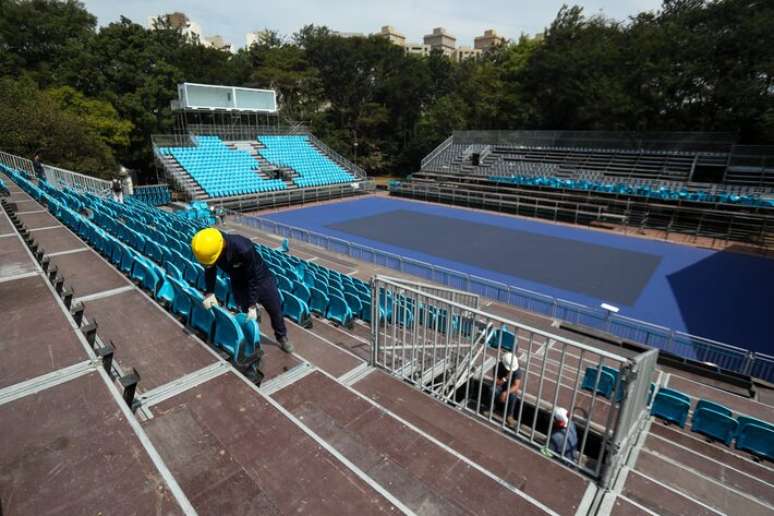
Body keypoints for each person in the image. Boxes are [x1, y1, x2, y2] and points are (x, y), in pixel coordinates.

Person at [191, 227, 293, 353]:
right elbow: (210, 268)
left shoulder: (243, 248)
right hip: (238, 281)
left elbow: (253, 279)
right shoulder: (211, 245)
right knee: (246, 316)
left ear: (221, 247)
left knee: (275, 309)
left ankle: (281, 336)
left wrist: (252, 304)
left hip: (260, 279)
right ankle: (251, 340)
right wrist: (210, 292)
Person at [472, 352, 523, 427]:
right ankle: (490, 408)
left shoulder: (517, 370)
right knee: (492, 390)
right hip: (499, 386)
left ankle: (509, 416)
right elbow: (496, 381)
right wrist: (505, 379)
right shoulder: (498, 366)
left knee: (514, 395)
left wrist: (505, 393)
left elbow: (516, 385)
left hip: (509, 388)